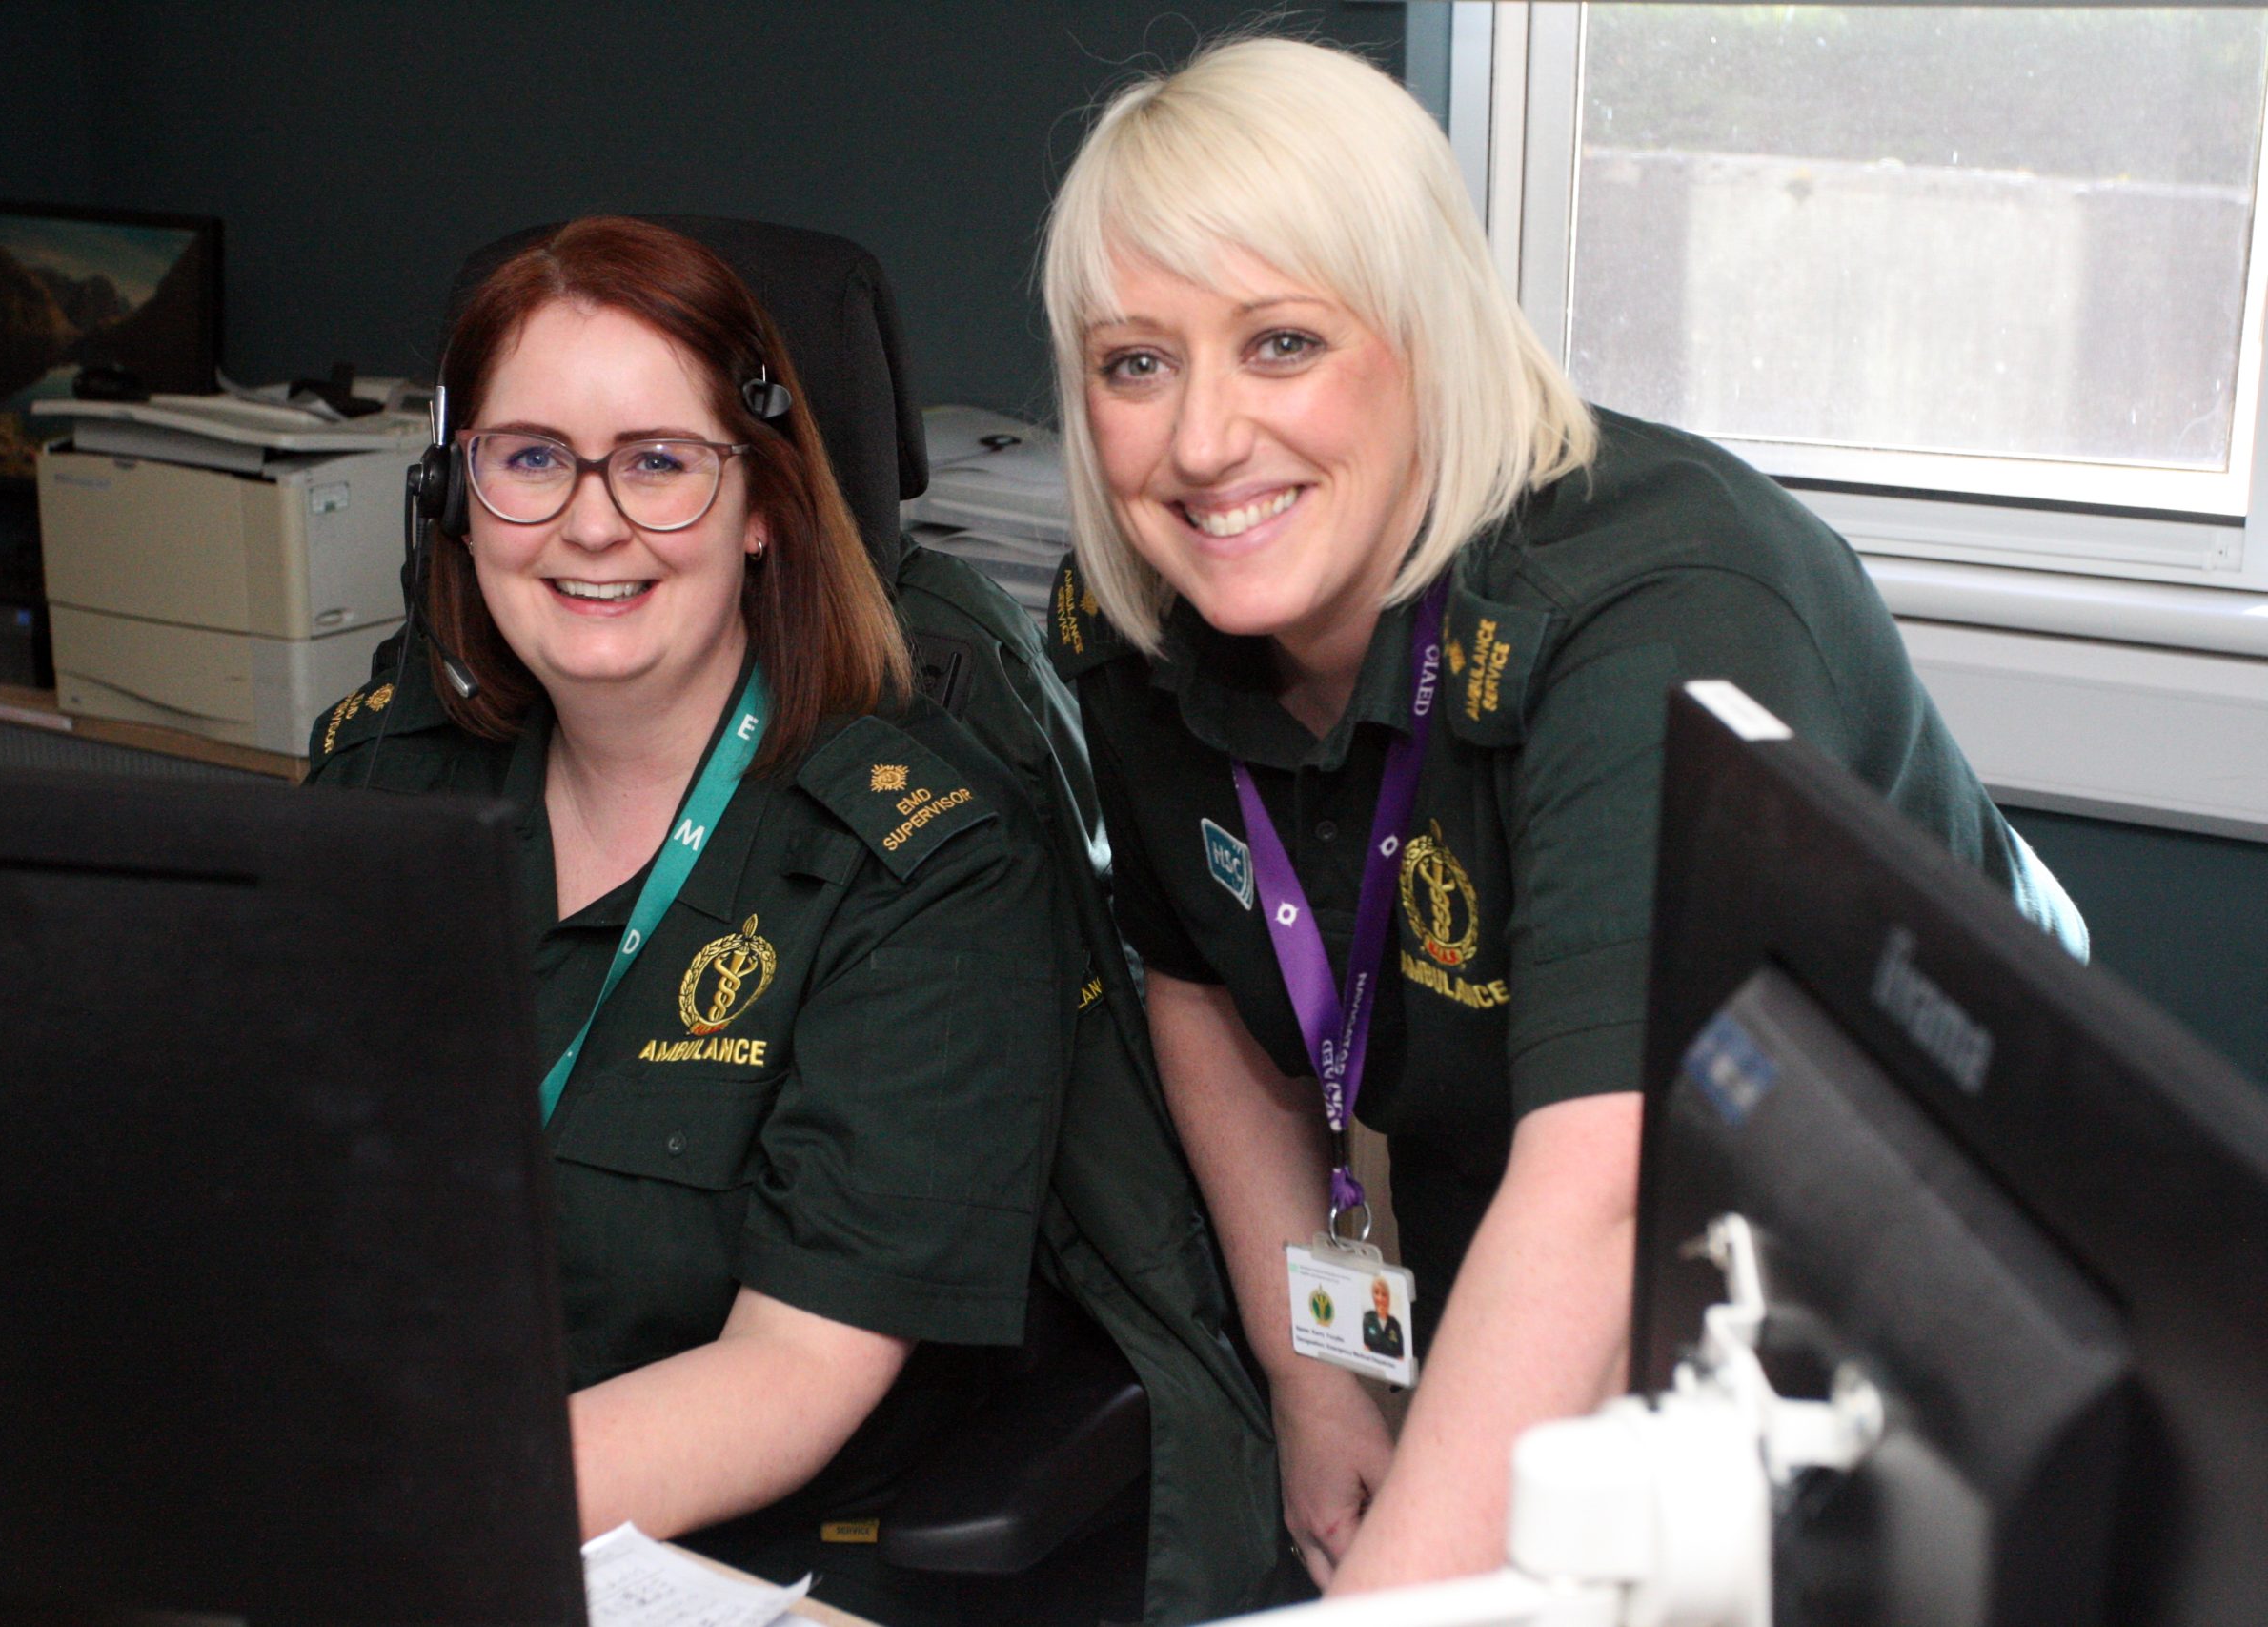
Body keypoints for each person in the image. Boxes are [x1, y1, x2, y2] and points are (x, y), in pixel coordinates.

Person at [1039, 36, 2086, 1596]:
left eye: (1282, 343)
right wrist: (1323, 1381)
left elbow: (1608, 1196)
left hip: (1916, 1252)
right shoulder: (1141, 612)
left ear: (1432, 332)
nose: (1201, 443)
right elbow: (1201, 974)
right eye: (1136, 363)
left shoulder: (1663, 612)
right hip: (1536, 1191)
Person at [310, 216, 1068, 1624]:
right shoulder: (377, 782)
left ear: (762, 504)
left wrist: (396, 1502)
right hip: (376, 1503)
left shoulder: (925, 863)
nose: (591, 522)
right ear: (457, 492)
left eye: (659, 462)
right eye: (530, 458)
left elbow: (792, 1369)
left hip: (735, 1564)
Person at [1360, 1277, 1404, 1362]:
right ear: (1372, 1296)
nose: (1380, 1298)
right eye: (1376, 1293)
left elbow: (1401, 1355)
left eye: (1384, 1295)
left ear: (1388, 1298)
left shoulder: (1395, 1324)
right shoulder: (1367, 1318)